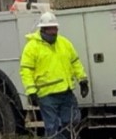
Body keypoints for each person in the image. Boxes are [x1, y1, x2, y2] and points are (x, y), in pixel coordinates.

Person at [20, 11, 88, 139]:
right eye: (51, 29)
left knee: (73, 121)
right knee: (53, 127)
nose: (54, 32)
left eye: (55, 28)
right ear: (43, 29)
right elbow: (26, 71)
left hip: (65, 92)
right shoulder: (32, 47)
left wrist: (82, 80)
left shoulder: (64, 43)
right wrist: (31, 91)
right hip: (47, 95)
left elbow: (75, 62)